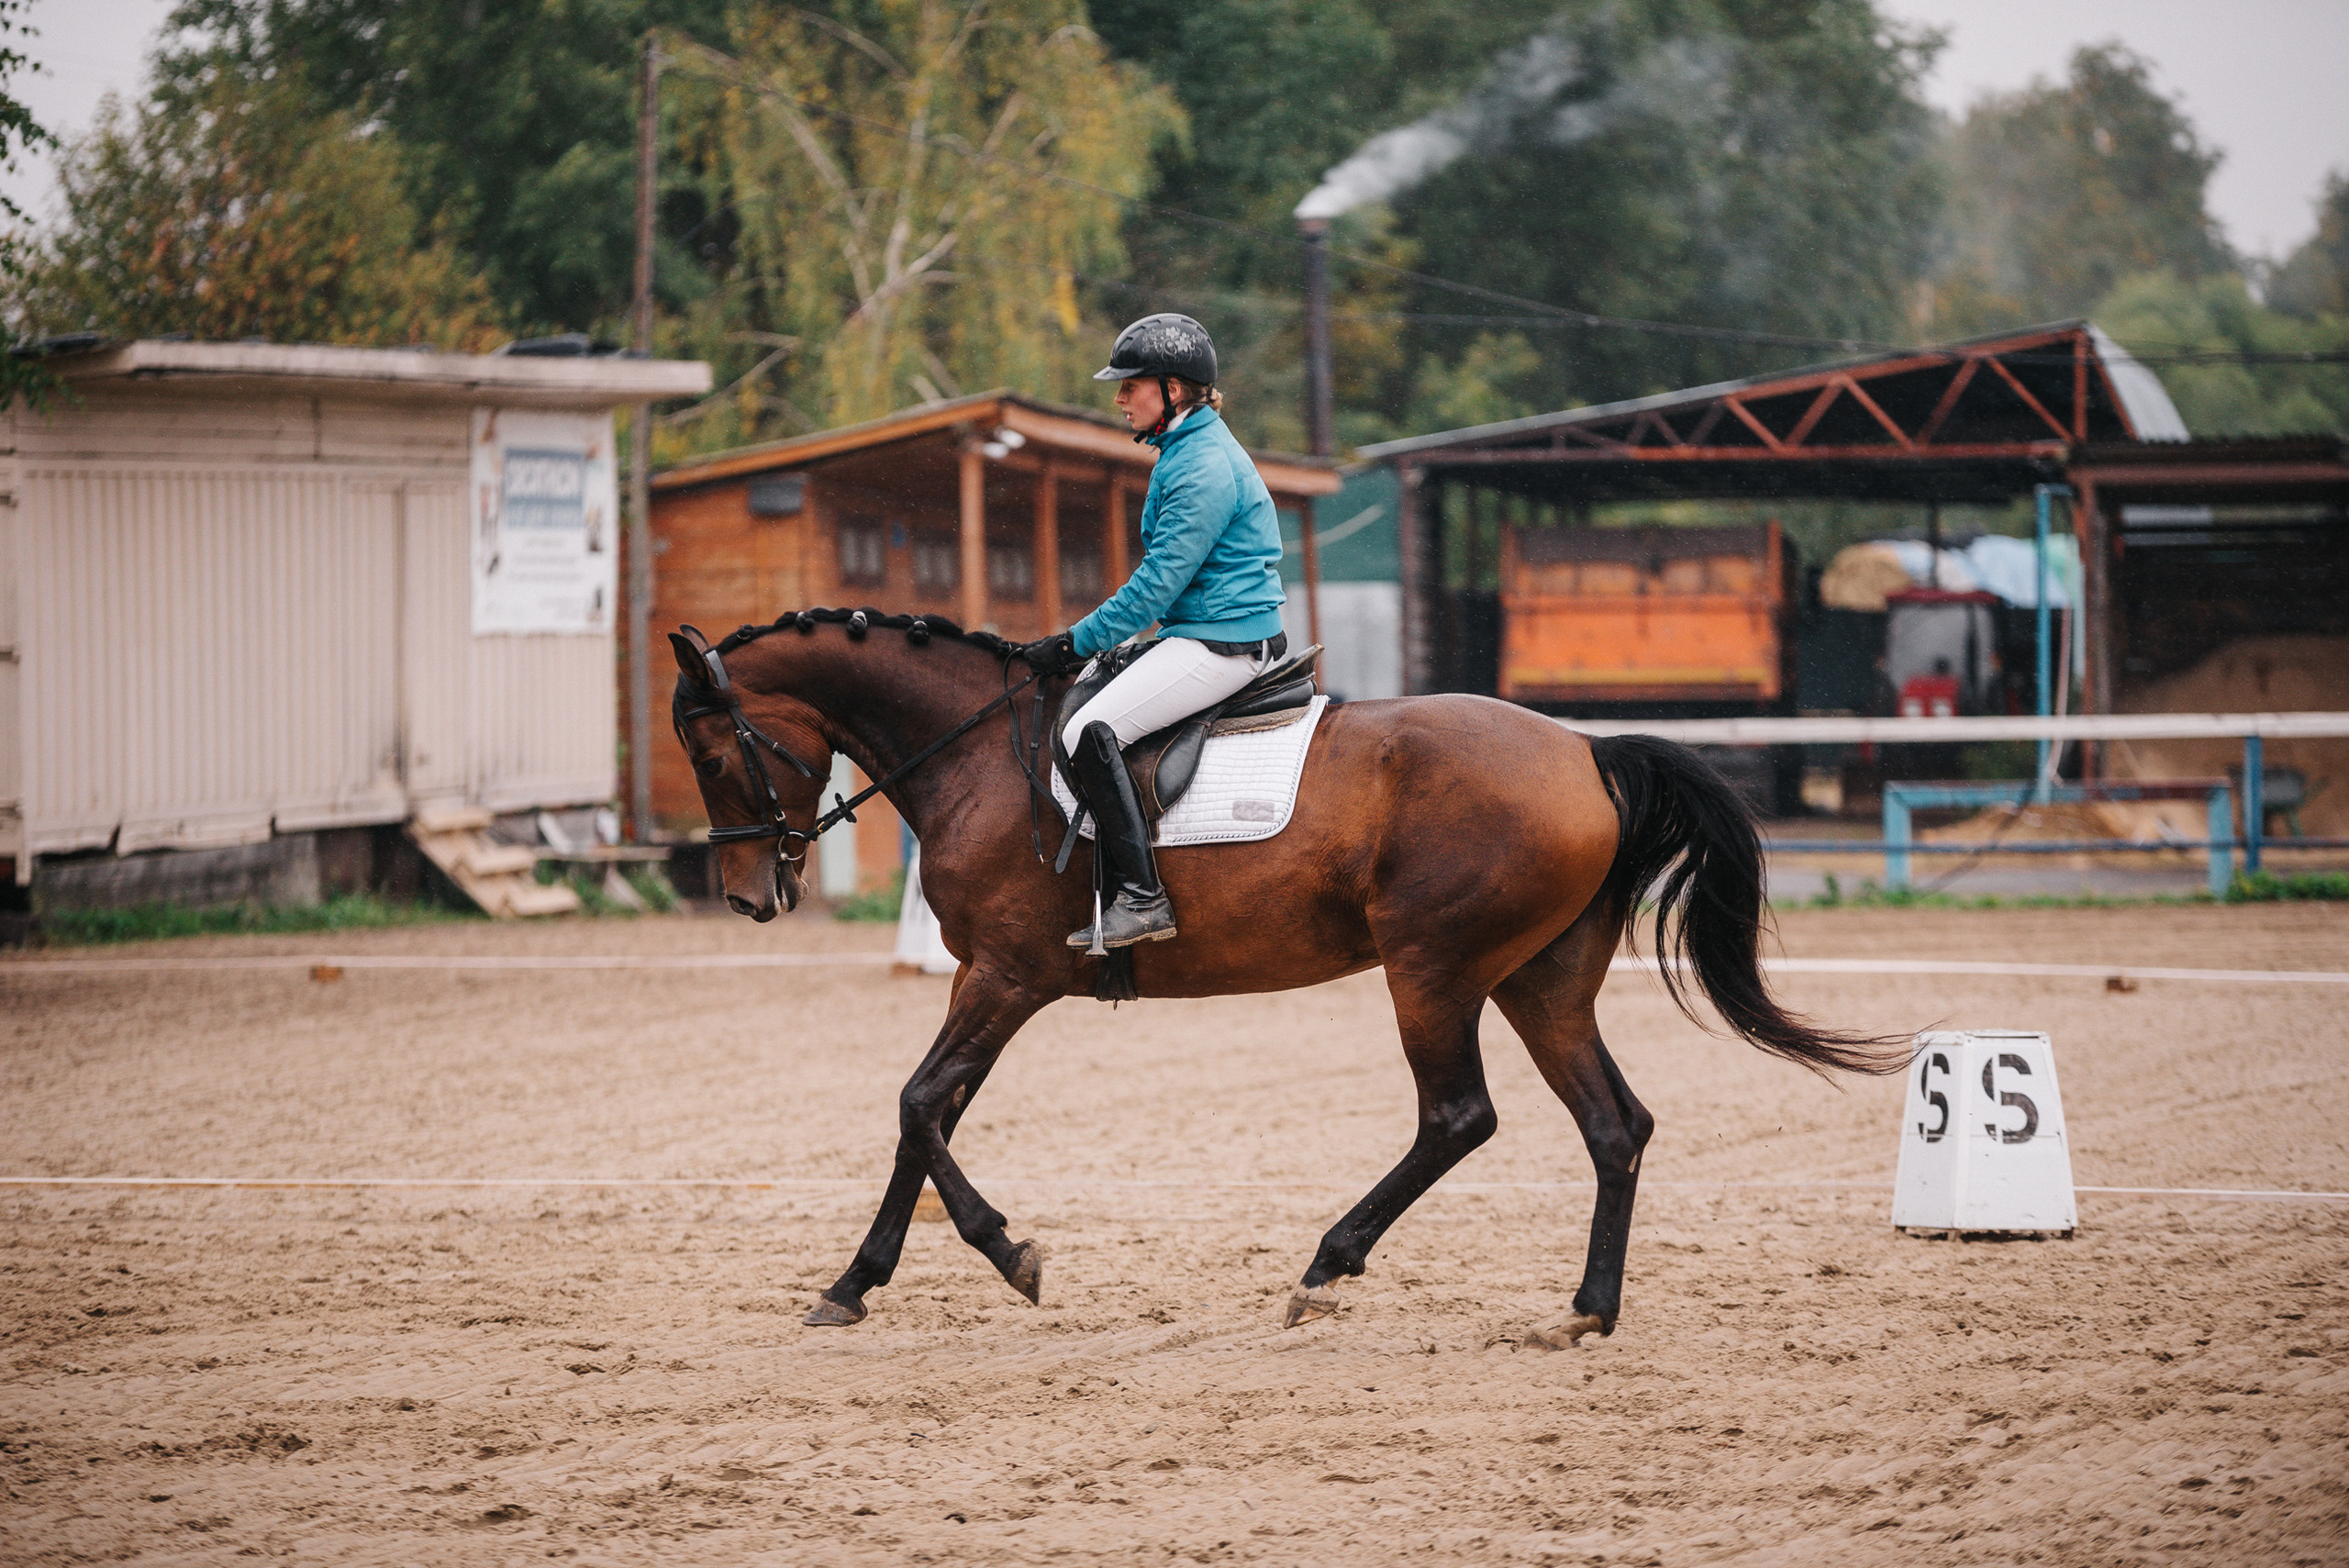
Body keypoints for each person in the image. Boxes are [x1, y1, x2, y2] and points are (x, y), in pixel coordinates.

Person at [1018, 313, 1287, 951]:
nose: (1119, 398)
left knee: (1087, 729)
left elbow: (1156, 587)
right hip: (1203, 629)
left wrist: (1074, 641)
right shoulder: (1186, 449)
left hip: (1220, 642)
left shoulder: (1200, 466)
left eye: (1130, 384)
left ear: (1174, 389)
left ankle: (1143, 898)